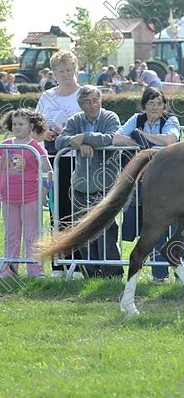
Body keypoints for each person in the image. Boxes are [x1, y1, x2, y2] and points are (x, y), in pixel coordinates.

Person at [55, 85, 130, 278]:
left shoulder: (110, 117)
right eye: (87, 101)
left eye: (96, 100)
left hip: (105, 185)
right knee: (84, 229)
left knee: (106, 228)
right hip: (80, 184)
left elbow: (111, 138)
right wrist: (79, 143)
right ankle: (91, 273)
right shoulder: (75, 120)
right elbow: (59, 141)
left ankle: (112, 273)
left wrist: (85, 138)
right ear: (80, 105)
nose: (93, 105)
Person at [116, 87, 180, 283]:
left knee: (170, 229)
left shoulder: (171, 120)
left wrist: (142, 139)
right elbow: (118, 138)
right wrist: (141, 140)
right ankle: (158, 275)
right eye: (151, 103)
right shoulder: (136, 119)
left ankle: (179, 273)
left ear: (164, 106)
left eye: (159, 103)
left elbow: (171, 139)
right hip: (142, 182)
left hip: (168, 184)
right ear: (144, 106)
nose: (155, 107)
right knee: (147, 228)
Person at [35, 49, 83, 278]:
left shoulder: (84, 94)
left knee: (79, 210)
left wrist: (69, 134)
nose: (65, 74)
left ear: (76, 70)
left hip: (80, 160)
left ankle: (80, 263)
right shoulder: (47, 97)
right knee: (57, 211)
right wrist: (47, 133)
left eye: (69, 70)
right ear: (53, 73)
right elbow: (36, 126)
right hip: (55, 159)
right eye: (60, 71)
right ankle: (59, 263)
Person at [0, 109, 52, 279]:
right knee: (11, 235)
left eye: (21, 124)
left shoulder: (36, 147)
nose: (17, 127)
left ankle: (35, 271)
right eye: (14, 124)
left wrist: (44, 194)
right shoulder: (5, 145)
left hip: (31, 198)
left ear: (31, 126)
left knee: (32, 235)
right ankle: (9, 271)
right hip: (8, 198)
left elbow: (48, 171)